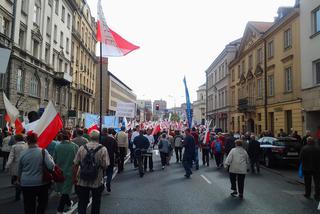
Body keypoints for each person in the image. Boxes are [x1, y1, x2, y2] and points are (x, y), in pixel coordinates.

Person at [73, 130, 110, 214]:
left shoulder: (82, 148)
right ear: (98, 138)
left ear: (89, 137)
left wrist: (74, 177)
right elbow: (105, 165)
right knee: (96, 202)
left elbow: (75, 164)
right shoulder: (103, 149)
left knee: (82, 202)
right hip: (97, 180)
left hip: (82, 179)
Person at [18, 131, 55, 214]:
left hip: (26, 182)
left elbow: (19, 169)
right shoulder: (43, 152)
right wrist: (51, 159)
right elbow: (50, 166)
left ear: (27, 141)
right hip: (41, 182)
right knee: (42, 203)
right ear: (37, 140)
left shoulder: (23, 153)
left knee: (28, 205)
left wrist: (18, 180)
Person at [54, 131, 79, 213]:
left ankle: (67, 205)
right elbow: (77, 161)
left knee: (63, 190)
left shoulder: (57, 147)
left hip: (60, 172)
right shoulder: (74, 146)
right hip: (71, 171)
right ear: (70, 136)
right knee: (65, 191)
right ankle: (60, 209)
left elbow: (54, 160)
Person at [5, 134, 28, 201]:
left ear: (16, 139)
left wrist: (7, 165)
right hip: (25, 165)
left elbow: (11, 157)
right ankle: (24, 193)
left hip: (16, 166)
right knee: (23, 179)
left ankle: (17, 196)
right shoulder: (26, 146)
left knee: (17, 180)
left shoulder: (14, 146)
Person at [100, 128, 118, 192]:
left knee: (101, 171)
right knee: (110, 171)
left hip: (101, 157)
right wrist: (117, 156)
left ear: (103, 132)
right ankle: (108, 182)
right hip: (110, 157)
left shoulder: (100, 139)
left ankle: (101, 184)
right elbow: (116, 149)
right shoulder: (112, 139)